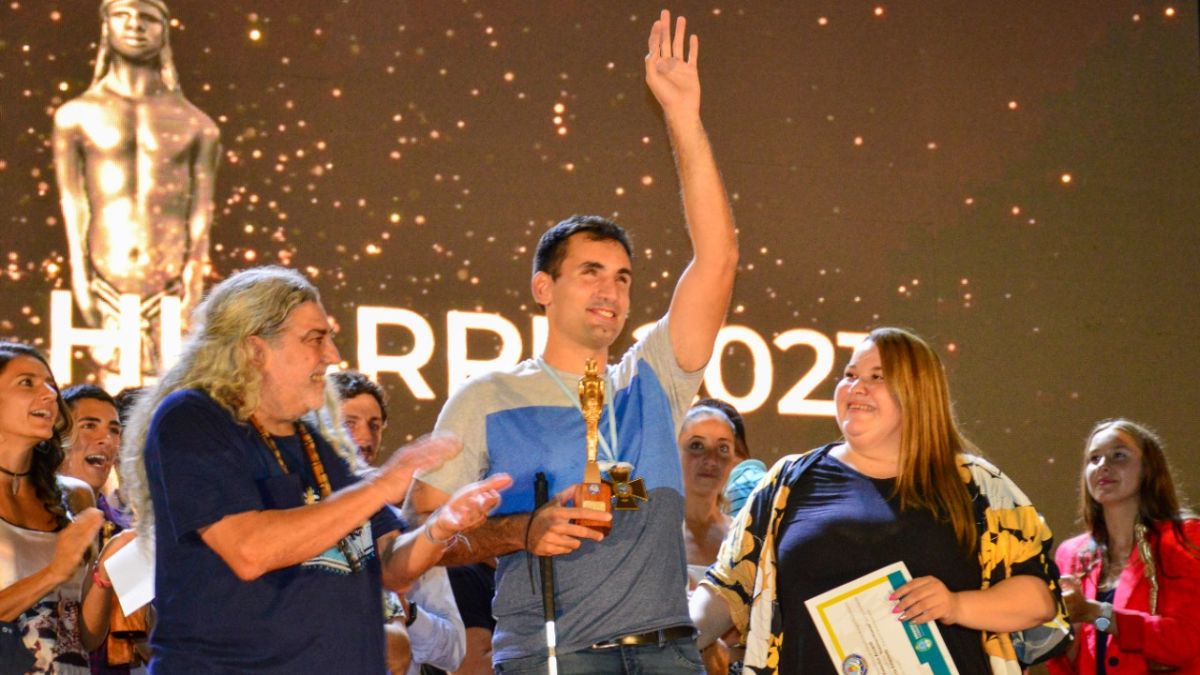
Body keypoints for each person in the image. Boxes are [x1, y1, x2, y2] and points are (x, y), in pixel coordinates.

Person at [407, 9, 738, 673]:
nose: (611, 291)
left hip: (670, 652)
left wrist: (683, 117)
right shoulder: (486, 398)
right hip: (553, 657)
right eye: (590, 272)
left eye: (623, 277)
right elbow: (421, 541)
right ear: (543, 288)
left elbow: (718, 257)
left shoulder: (654, 379)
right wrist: (521, 530)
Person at [119, 266, 511, 673]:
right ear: (255, 349)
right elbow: (250, 551)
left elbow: (392, 567)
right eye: (316, 339)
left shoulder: (315, 443)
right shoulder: (193, 418)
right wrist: (381, 485)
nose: (333, 356)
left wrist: (440, 528)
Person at [690, 327, 1071, 674]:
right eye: (850, 375)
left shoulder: (976, 484)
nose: (856, 387)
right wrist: (652, 638)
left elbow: (1039, 599)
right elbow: (727, 590)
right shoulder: (789, 481)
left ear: (919, 393)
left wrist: (956, 605)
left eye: (877, 377)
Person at [53, 0, 220, 375]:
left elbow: (200, 215)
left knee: (162, 410)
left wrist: (192, 283)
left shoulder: (197, 124)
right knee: (103, 408)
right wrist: (80, 279)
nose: (135, 25)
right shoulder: (75, 115)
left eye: (147, 17)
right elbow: (74, 204)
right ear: (106, 24)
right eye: (123, 15)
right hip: (105, 287)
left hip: (170, 294)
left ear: (163, 29)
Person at [330, 369, 467, 675]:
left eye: (374, 426)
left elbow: (454, 651)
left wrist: (408, 613)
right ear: (318, 424)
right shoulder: (294, 514)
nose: (364, 438)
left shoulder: (406, 526)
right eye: (349, 423)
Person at [0, 342, 126, 674]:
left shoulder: (75, 497)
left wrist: (104, 573)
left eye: (50, 385)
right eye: (27, 382)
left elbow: (85, 637)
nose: (49, 395)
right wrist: (55, 571)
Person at [1048, 419, 1200, 675]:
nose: (1103, 466)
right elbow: (1066, 664)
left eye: (1119, 455)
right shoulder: (1071, 553)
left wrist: (1096, 613)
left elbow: (1185, 641)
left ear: (1149, 470)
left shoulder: (1185, 537)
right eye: (1093, 459)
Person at [59, 384, 147, 674]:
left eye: (114, 430)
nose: (106, 440)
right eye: (89, 426)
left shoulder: (121, 531)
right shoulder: (30, 515)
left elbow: (142, 638)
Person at [677, 401, 740, 675]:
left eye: (723, 448)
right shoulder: (647, 526)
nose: (711, 460)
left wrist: (729, 654)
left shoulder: (744, 536)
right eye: (696, 446)